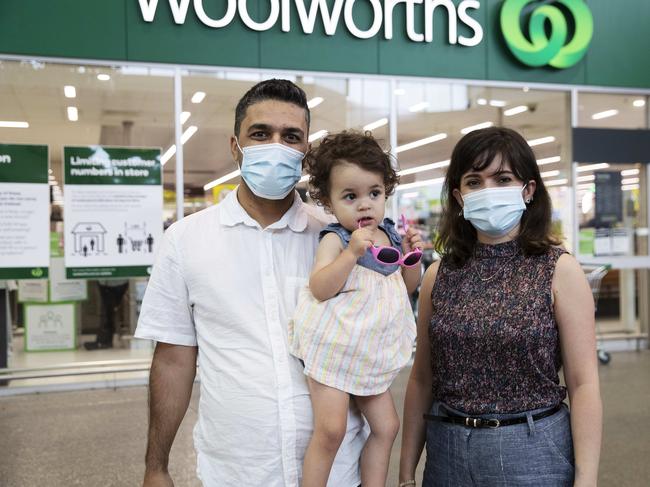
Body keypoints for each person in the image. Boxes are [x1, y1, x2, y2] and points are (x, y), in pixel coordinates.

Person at [134, 79, 367, 487]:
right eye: (260, 134)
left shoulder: (335, 237)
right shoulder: (186, 240)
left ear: (305, 151)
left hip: (338, 469)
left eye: (290, 136)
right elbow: (172, 359)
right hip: (236, 470)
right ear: (235, 146)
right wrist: (157, 466)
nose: (275, 145)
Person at [399, 127, 602, 487]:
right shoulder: (438, 274)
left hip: (532, 448)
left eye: (503, 178)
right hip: (446, 451)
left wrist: (586, 481)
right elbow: (421, 380)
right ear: (459, 197)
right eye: (474, 182)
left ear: (528, 190)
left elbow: (583, 383)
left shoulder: (558, 269)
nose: (488, 191)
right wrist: (405, 474)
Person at [289, 131, 421, 487]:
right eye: (351, 196)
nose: (365, 205)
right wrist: (351, 255)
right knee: (331, 430)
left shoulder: (390, 235)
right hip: (335, 350)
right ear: (329, 202)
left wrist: (411, 257)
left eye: (374, 193)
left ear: (385, 192)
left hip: (369, 352)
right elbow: (319, 287)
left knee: (387, 426)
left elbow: (406, 288)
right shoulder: (337, 238)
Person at [84, 278, 129, 350]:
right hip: (105, 280)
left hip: (116, 281)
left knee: (108, 311)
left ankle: (103, 341)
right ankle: (105, 341)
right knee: (107, 311)